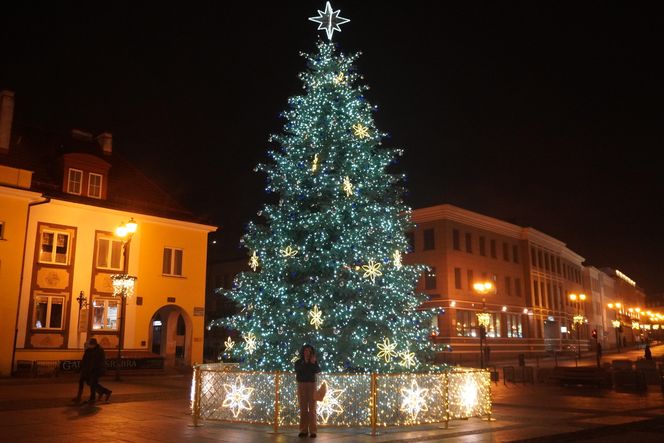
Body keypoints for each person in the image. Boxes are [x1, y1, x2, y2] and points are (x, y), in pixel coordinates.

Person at [294, 344, 320, 438]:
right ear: (303, 351)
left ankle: (313, 431)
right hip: (301, 384)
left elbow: (317, 370)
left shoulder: (313, 361)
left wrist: (313, 363)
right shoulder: (298, 362)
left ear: (311, 352)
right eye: (305, 350)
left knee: (312, 409)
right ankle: (303, 430)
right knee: (303, 408)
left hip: (312, 385)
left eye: (309, 351)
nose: (307, 352)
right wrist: (304, 362)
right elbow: (297, 370)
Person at [80, 338, 112, 404]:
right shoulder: (90, 350)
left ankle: (93, 398)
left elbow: (96, 362)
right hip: (91, 370)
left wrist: (90, 370)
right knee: (91, 383)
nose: (87, 345)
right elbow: (86, 360)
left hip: (97, 370)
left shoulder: (99, 350)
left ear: (93, 344)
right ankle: (105, 392)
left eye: (89, 344)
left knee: (92, 383)